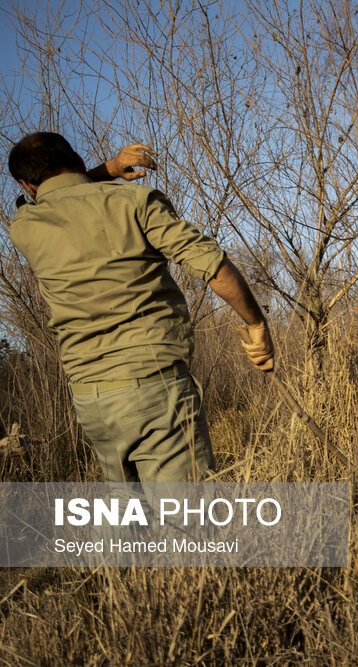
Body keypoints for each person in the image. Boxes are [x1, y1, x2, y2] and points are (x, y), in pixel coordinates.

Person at [7, 132, 273, 482]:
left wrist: (108, 169)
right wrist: (256, 324)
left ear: (27, 185)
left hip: (91, 399)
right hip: (155, 390)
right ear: (77, 158)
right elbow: (215, 268)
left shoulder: (24, 226)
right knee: (185, 525)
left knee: (128, 521)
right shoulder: (134, 202)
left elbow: (56, 198)